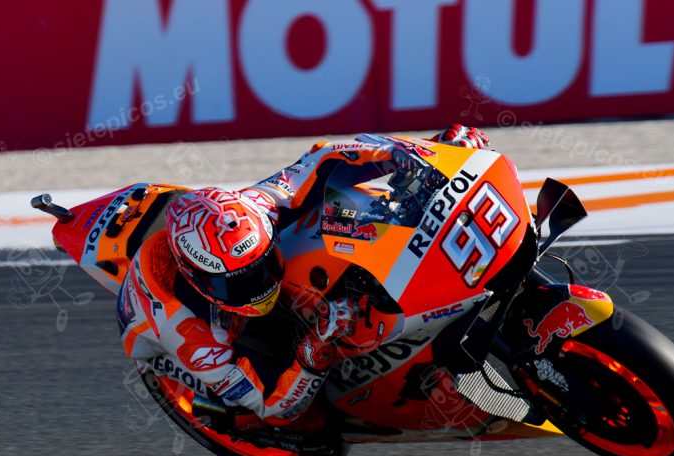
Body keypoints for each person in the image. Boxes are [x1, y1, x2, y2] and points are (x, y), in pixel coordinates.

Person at [116, 125, 489, 431]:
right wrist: (316, 345)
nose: (258, 286)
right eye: (238, 282)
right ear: (199, 278)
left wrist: (426, 154)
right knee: (266, 408)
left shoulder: (259, 206)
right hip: (182, 329)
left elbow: (325, 156)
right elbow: (274, 407)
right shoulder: (190, 334)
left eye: (260, 266)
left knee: (345, 209)